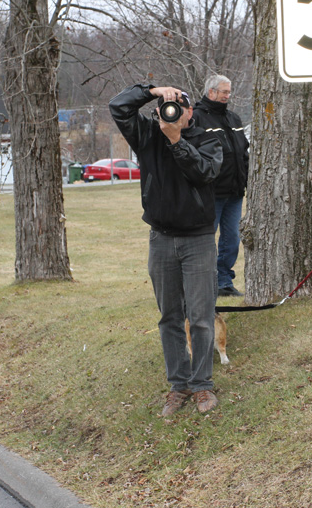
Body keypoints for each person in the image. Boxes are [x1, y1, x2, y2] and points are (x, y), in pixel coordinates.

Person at [109, 83, 222, 416]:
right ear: (158, 112)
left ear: (191, 113)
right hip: (161, 239)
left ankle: (202, 385)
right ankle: (179, 385)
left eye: (180, 107)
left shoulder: (208, 140)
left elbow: (204, 172)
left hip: (199, 240)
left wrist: (176, 140)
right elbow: (118, 106)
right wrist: (150, 91)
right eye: (167, 107)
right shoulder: (147, 136)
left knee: (200, 318)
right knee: (170, 317)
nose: (173, 111)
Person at [191, 75, 250, 297]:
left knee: (232, 240)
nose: (227, 96)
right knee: (206, 241)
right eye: (224, 91)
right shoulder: (197, 118)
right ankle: (203, 283)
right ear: (211, 92)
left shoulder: (233, 119)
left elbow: (243, 152)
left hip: (234, 192)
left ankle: (224, 281)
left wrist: (244, 177)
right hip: (210, 193)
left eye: (229, 92)